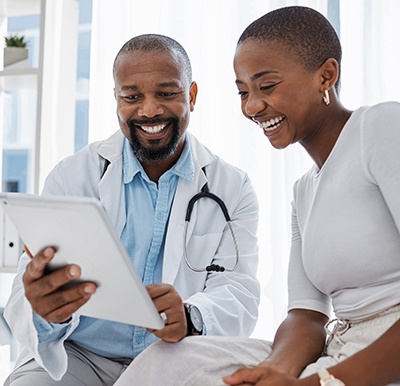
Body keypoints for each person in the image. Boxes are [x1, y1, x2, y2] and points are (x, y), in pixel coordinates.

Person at [112, 6, 400, 386]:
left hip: (379, 356)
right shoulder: (304, 191)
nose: (252, 106)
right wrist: (277, 370)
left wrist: (315, 384)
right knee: (175, 358)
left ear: (326, 75)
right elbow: (307, 315)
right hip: (338, 347)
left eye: (266, 87)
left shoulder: (380, 127)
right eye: (243, 91)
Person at [3, 34, 261, 385]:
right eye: (132, 96)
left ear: (192, 95)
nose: (149, 109)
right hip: (78, 355)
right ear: (116, 99)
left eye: (167, 93)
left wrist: (191, 315)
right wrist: (46, 311)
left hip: (173, 358)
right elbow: (28, 284)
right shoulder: (72, 176)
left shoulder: (232, 187)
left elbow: (239, 289)